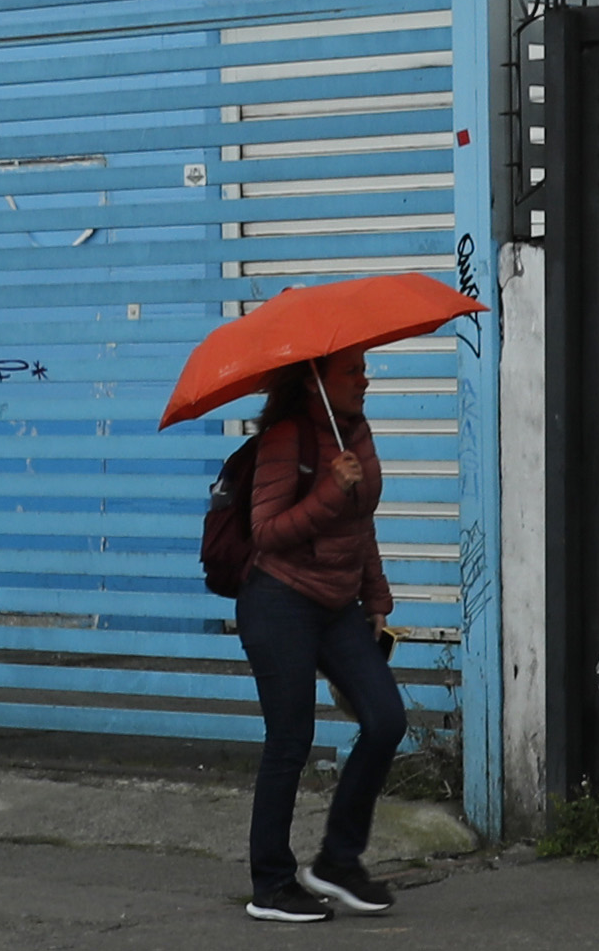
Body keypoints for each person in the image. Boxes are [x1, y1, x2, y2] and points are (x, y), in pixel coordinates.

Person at [236, 346, 402, 922]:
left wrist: (377, 596)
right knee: (291, 739)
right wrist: (329, 492)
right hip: (278, 600)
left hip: (336, 605)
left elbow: (361, 523)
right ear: (316, 381)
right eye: (351, 371)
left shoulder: (357, 432)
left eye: (363, 368)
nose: (364, 379)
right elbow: (266, 531)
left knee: (386, 720)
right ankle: (273, 884)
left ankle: (337, 861)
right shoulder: (288, 437)